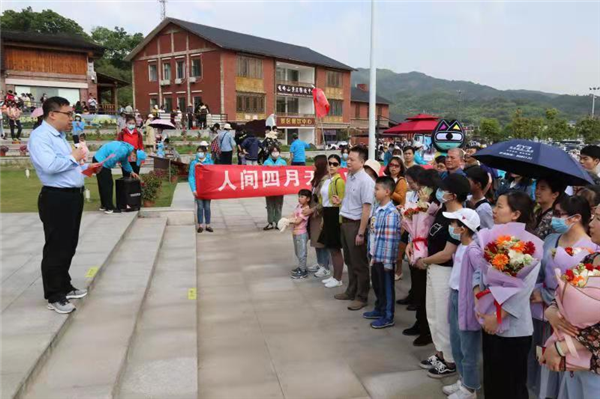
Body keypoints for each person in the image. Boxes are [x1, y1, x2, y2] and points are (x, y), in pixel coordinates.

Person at [28, 97, 93, 314]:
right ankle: (54, 295)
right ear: (53, 114)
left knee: (69, 244)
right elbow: (50, 166)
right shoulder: (40, 137)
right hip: (56, 198)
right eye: (68, 114)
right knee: (56, 247)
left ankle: (65, 285)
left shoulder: (60, 136)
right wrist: (74, 157)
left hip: (72, 196)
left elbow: (69, 166)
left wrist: (88, 167)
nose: (71, 119)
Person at [528, 195, 596, 398]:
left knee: (567, 367)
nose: (553, 219)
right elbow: (538, 272)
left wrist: (551, 299)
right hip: (544, 313)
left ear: (575, 217)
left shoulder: (592, 248)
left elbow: (588, 292)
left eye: (558, 215)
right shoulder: (550, 239)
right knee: (541, 358)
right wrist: (540, 294)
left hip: (574, 324)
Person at [474, 191, 537, 399]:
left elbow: (523, 290)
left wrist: (498, 317)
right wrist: (478, 293)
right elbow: (480, 270)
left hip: (514, 329)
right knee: (492, 379)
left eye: (500, 206)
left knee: (512, 385)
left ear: (515, 214)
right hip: (488, 320)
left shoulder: (530, 245)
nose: (494, 210)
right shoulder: (493, 238)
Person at [414, 174, 470, 378]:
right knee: (433, 314)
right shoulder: (442, 211)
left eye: (443, 189)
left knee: (444, 317)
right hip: (433, 268)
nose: (439, 192)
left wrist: (425, 261)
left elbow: (448, 253)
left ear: (452, 194)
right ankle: (439, 353)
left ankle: (450, 359)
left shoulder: (461, 217)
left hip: (446, 270)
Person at [443, 208, 483, 399]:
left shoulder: (474, 251)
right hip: (455, 295)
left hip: (466, 301)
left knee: (469, 347)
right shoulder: (461, 246)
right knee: (456, 342)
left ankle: (471, 387)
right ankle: (463, 380)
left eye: (454, 223)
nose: (451, 226)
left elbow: (480, 277)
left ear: (463, 228)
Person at [335, 146, 375, 311]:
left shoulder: (366, 181)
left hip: (356, 224)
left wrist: (361, 232)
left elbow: (366, 208)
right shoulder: (350, 176)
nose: (348, 162)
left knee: (359, 263)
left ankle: (362, 296)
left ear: (362, 162)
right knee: (350, 260)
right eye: (348, 158)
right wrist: (340, 203)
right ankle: (351, 291)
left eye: (352, 159)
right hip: (345, 221)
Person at [363, 176, 401, 329]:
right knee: (378, 285)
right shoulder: (377, 208)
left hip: (384, 258)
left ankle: (388, 316)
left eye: (377, 189)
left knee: (386, 286)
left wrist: (387, 262)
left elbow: (390, 240)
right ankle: (379, 308)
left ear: (387, 192)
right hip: (375, 254)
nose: (374, 191)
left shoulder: (391, 213)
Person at [319, 154, 346, 288]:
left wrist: (341, 222)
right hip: (327, 214)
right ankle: (335, 275)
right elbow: (322, 199)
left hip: (335, 215)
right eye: (329, 163)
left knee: (335, 249)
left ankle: (338, 278)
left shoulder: (339, 181)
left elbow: (342, 201)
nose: (331, 166)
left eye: (335, 164)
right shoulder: (327, 180)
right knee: (330, 248)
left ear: (340, 166)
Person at [93, 141, 141, 214]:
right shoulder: (123, 150)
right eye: (135, 157)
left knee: (102, 184)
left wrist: (131, 172)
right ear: (134, 152)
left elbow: (125, 162)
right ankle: (109, 208)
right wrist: (110, 166)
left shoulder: (126, 149)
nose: (133, 158)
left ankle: (104, 205)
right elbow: (112, 159)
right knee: (108, 185)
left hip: (98, 158)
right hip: (102, 162)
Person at [303, 155, 331, 277]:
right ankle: (320, 263)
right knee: (315, 240)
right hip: (314, 215)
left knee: (322, 241)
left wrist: (312, 210)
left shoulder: (325, 180)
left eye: (314, 163)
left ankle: (325, 266)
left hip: (320, 214)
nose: (312, 166)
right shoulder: (317, 178)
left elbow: (324, 201)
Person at [189, 143, 214, 233]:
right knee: (200, 207)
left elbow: (213, 173)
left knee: (207, 207)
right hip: (198, 188)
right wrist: (193, 189)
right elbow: (191, 177)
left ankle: (208, 225)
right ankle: (200, 225)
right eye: (198, 152)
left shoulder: (210, 162)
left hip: (207, 188)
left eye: (201, 152)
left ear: (205, 152)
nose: (199, 153)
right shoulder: (194, 163)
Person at [289, 189, 312, 279]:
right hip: (295, 233)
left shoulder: (306, 209)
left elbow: (298, 221)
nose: (299, 198)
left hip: (301, 233)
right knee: (297, 252)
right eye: (299, 196)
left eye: (302, 197)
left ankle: (303, 271)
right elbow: (293, 215)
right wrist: (288, 219)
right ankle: (300, 267)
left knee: (302, 252)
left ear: (308, 199)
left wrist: (288, 221)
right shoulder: (299, 206)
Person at [263, 146, 287, 230]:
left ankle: (278, 222)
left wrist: (282, 168)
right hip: (269, 187)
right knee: (269, 205)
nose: (275, 153)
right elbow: (261, 174)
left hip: (279, 187)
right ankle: (270, 222)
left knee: (278, 205)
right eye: (273, 151)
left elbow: (286, 174)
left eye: (277, 151)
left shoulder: (283, 162)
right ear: (270, 152)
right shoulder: (266, 162)